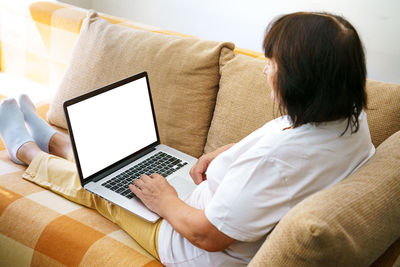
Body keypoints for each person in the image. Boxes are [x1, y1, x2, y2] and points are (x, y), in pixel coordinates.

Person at [0, 12, 375, 266]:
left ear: (303, 82)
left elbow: (206, 236)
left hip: (188, 239)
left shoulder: (278, 161)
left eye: (273, 64)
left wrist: (165, 200)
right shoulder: (350, 118)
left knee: (98, 186)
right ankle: (56, 141)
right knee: (119, 160)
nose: (265, 70)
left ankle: (26, 151)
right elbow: (280, 145)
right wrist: (227, 153)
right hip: (204, 199)